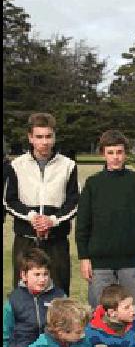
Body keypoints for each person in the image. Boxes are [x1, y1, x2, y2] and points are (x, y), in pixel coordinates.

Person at [76, 130, 135, 309]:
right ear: (103, 154)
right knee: (101, 311)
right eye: (110, 153)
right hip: (100, 262)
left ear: (125, 153)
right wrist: (84, 257)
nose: (115, 157)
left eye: (119, 152)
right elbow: (83, 223)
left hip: (133, 261)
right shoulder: (93, 183)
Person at [4, 112, 79, 295]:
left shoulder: (68, 165)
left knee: (59, 293)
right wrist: (33, 218)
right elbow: (9, 200)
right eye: (39, 137)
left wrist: (52, 221)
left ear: (54, 136)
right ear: (30, 137)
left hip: (56, 241)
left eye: (48, 136)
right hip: (26, 240)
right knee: (24, 292)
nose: (44, 142)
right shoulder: (17, 165)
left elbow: (74, 202)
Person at [3, 248, 67, 347]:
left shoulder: (60, 296)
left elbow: (71, 328)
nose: (42, 279)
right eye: (36, 274)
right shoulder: (13, 301)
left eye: (45, 274)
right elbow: (5, 340)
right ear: (23, 275)